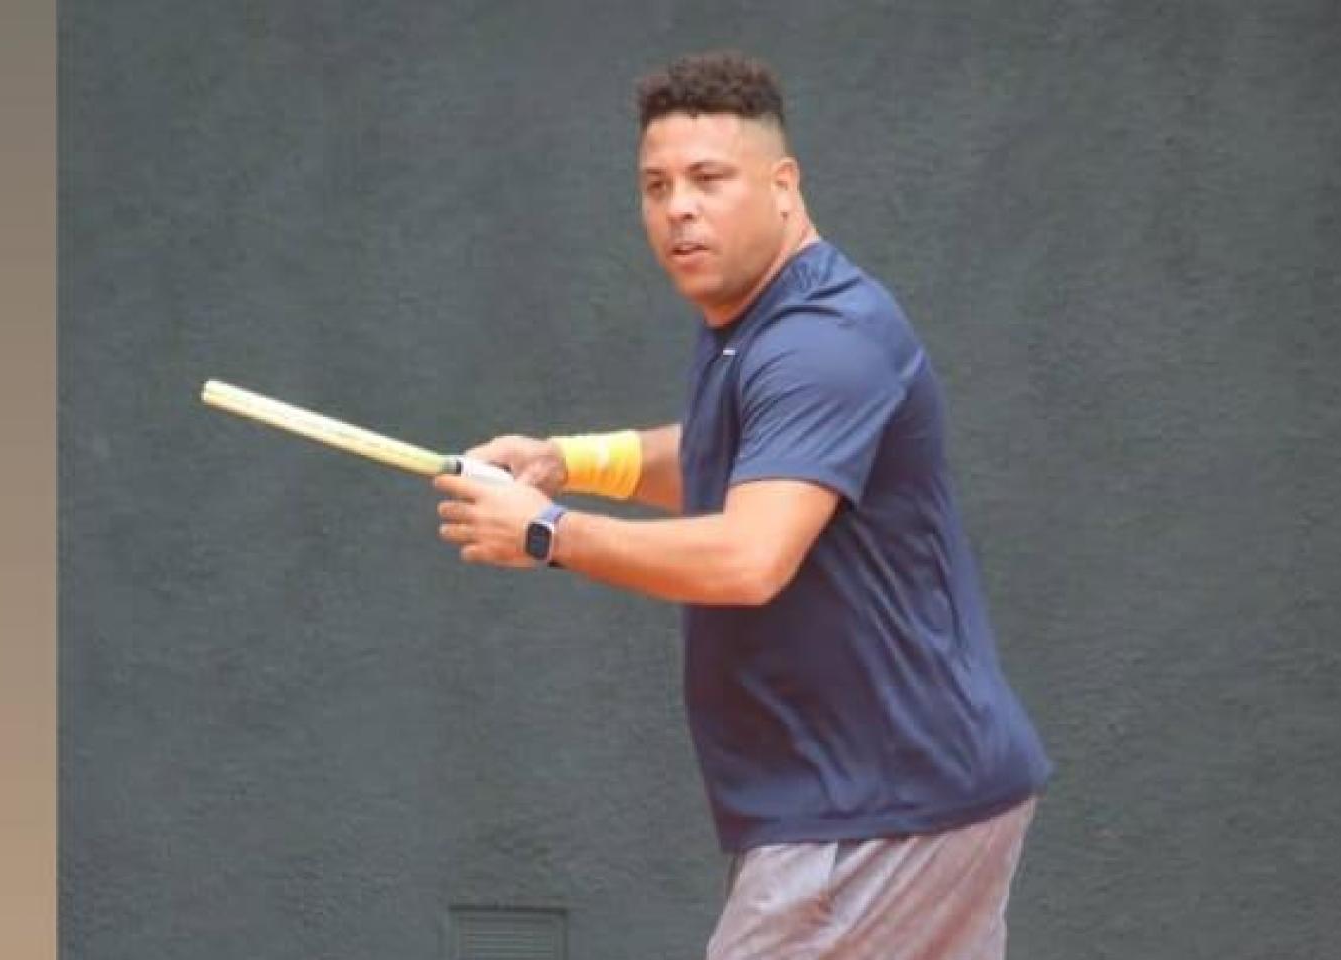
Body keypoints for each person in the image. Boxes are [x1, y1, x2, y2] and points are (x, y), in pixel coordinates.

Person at [433, 50, 1052, 959]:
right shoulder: (754, 325)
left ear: (783, 186)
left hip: (877, 818)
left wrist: (544, 533)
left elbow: (750, 556)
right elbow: (741, 462)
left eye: (708, 179)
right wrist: (568, 462)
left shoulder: (820, 341)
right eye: (656, 185)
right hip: (898, 800)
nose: (678, 207)